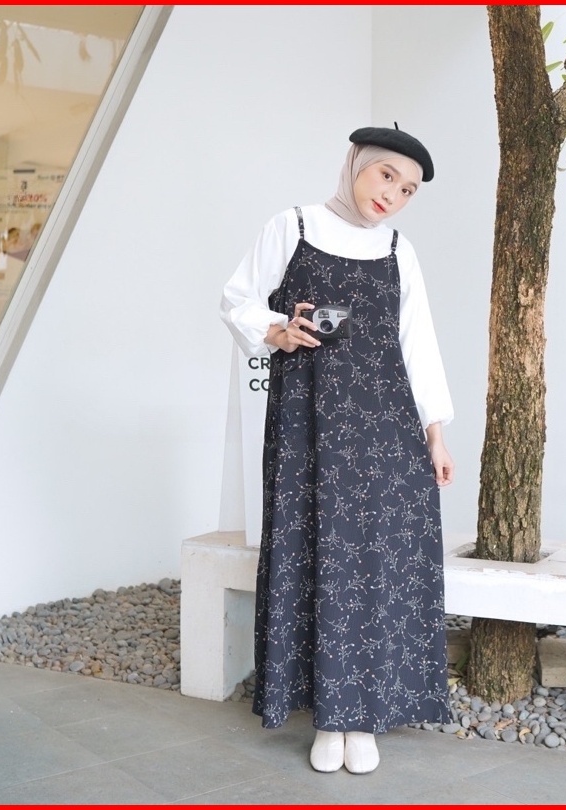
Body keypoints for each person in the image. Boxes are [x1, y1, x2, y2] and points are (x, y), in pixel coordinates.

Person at [219, 125, 455, 775]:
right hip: (308, 427)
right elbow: (236, 299)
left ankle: (365, 715)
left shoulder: (399, 249)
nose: (393, 196)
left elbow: (418, 342)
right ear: (357, 164)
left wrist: (435, 433)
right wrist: (276, 329)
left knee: (376, 567)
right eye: (387, 176)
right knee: (313, 556)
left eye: (407, 190)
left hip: (385, 433)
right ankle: (329, 716)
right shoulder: (292, 226)